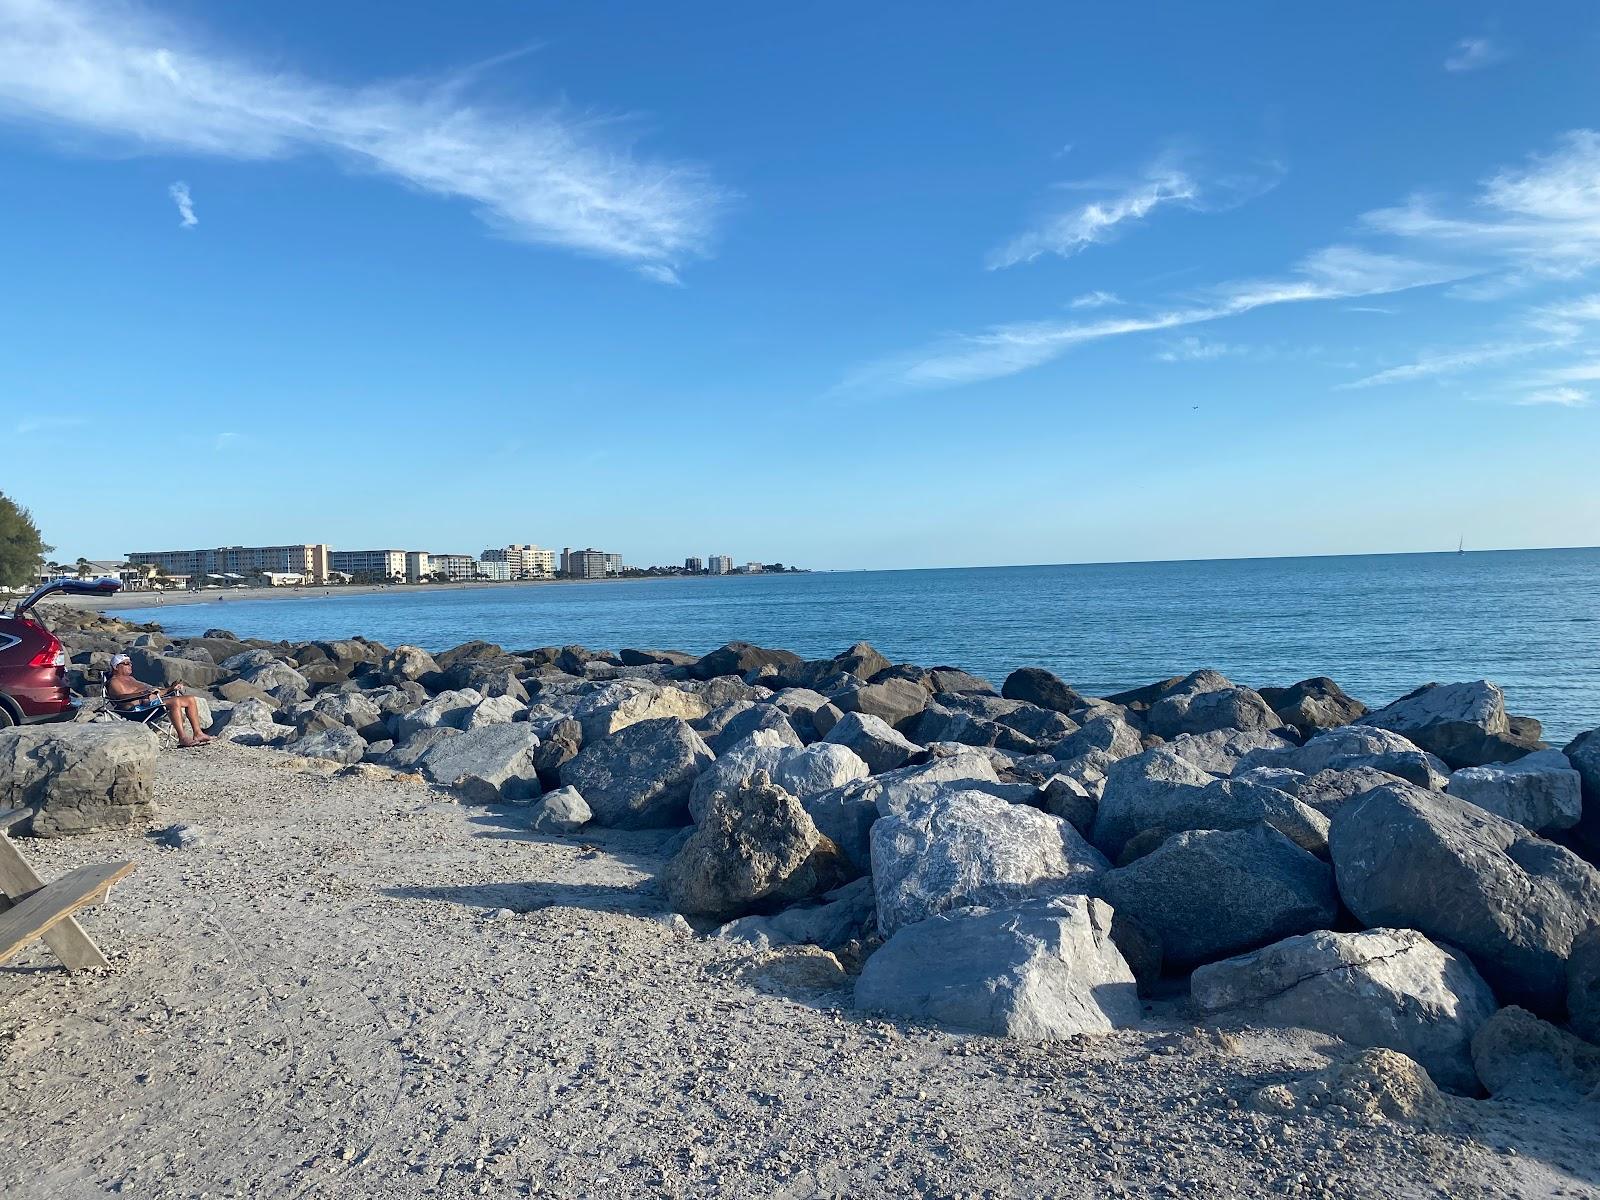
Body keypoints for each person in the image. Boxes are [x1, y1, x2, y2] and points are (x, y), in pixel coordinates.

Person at [105, 653, 213, 746]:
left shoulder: (131, 679)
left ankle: (198, 733)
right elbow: (121, 698)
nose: (130, 666)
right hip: (136, 711)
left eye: (130, 663)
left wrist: (171, 688)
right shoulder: (115, 682)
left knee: (189, 699)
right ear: (115, 667)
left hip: (149, 705)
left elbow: (154, 693)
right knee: (174, 701)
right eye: (126, 664)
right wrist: (142, 694)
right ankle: (182, 737)